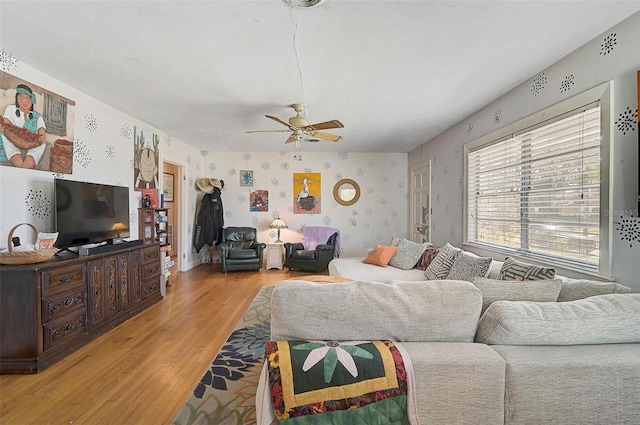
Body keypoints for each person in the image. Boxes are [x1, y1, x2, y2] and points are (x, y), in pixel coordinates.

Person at [0, 84, 47, 169]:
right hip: (12, 137)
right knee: (4, 134)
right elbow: (7, 125)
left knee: (43, 143)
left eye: (27, 98)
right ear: (16, 98)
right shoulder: (10, 109)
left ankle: (27, 164)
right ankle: (18, 162)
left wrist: (40, 138)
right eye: (20, 96)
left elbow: (41, 133)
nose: (23, 101)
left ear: (32, 100)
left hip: (31, 142)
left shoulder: (38, 117)